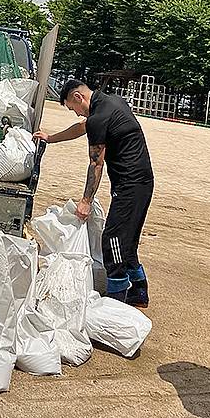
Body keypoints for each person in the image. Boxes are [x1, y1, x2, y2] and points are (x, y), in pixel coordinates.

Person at [33, 79, 154, 307]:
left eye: (72, 108)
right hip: (143, 182)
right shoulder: (112, 102)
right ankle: (139, 291)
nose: (75, 113)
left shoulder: (99, 117)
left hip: (131, 185)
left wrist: (86, 201)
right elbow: (82, 127)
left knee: (113, 239)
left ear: (78, 97)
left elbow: (96, 164)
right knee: (127, 242)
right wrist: (51, 138)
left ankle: (116, 297)